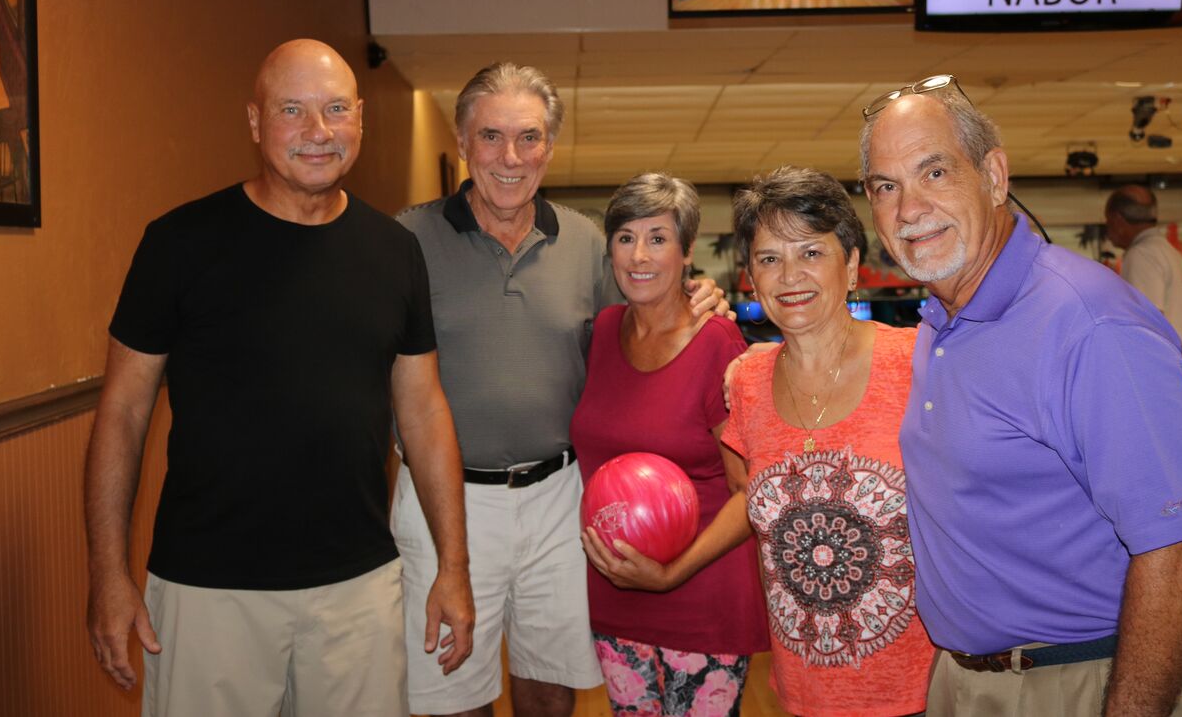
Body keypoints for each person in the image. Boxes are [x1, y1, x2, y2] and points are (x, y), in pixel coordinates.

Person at [84, 40, 474, 717]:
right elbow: (121, 412)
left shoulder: (395, 252)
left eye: (333, 110)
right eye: (292, 110)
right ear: (256, 121)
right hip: (208, 591)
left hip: (357, 587)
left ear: (360, 119)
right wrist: (108, 574)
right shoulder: (178, 243)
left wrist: (455, 567)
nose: (317, 132)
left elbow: (424, 411)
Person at [858, 76, 1182, 716]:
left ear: (995, 176)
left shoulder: (1090, 324)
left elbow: (1180, 550)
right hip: (967, 682)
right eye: (886, 186)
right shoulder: (942, 323)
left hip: (1083, 681)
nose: (909, 209)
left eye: (934, 172)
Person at [392, 63, 726, 717]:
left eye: (529, 137)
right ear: (463, 141)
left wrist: (695, 295)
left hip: (558, 499)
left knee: (550, 686)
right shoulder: (406, 239)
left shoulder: (584, 242)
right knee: (452, 692)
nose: (510, 157)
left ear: (550, 145)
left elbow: (639, 326)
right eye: (491, 136)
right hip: (444, 500)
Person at [722, 166, 934, 717]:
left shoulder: (917, 363)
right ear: (751, 276)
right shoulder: (745, 383)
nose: (789, 275)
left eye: (811, 252)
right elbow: (755, 507)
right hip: (803, 693)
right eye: (770, 258)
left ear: (853, 266)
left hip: (922, 690)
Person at [572, 173, 768, 717]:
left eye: (658, 238)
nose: (639, 255)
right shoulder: (605, 331)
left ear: (685, 253)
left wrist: (670, 574)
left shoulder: (717, 343)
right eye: (625, 236)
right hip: (615, 592)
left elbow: (748, 491)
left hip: (700, 596)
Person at [1105, 184, 1182, 411]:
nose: (1107, 229)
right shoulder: (1169, 251)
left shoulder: (1140, 254)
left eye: (1107, 221)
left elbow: (1148, 324)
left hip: (1167, 369)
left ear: (1117, 219)